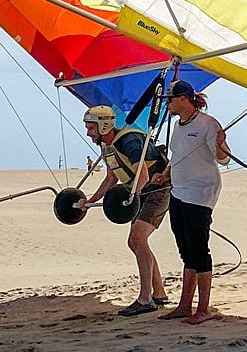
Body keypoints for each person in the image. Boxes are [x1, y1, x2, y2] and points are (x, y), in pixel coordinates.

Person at [78, 104, 170, 317]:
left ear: (103, 126)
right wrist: (89, 202)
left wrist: (131, 198)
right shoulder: (108, 146)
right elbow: (112, 178)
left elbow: (144, 175)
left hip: (157, 188)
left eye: (91, 128)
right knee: (135, 242)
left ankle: (145, 299)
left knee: (138, 238)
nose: (88, 133)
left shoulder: (129, 141)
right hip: (138, 191)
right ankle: (159, 293)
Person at [156, 80, 230, 325]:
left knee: (199, 250)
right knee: (185, 249)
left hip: (200, 193)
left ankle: (203, 308)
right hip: (178, 192)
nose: (167, 103)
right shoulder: (178, 126)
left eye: (170, 99)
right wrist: (165, 174)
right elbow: (178, 156)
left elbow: (223, 159)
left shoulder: (208, 124)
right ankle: (184, 305)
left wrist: (220, 144)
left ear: (183, 99)